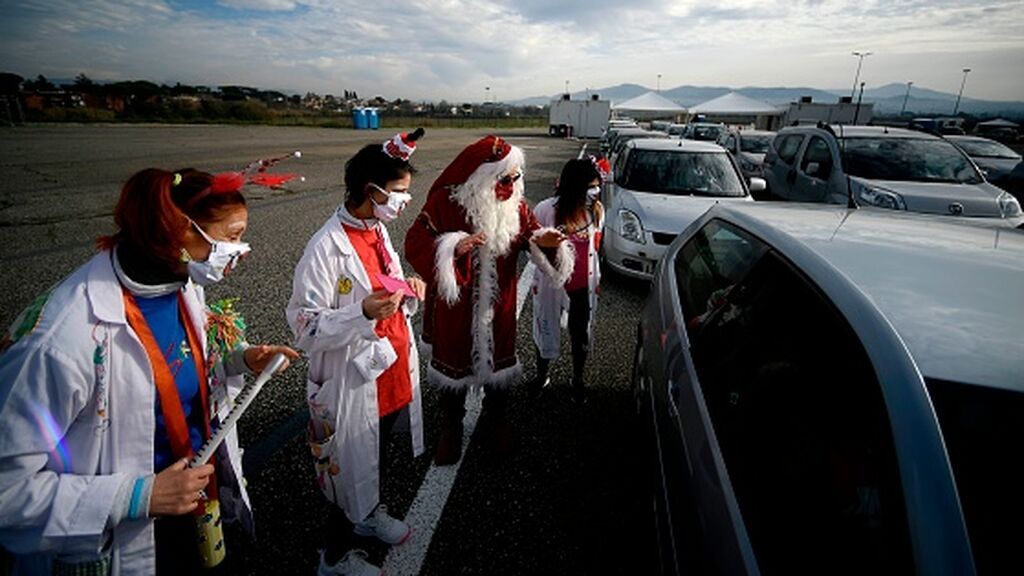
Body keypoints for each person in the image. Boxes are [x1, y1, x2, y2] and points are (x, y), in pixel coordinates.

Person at [0, 162, 300, 575]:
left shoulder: (180, 283)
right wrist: (138, 496)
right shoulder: (59, 340)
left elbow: (176, 367)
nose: (242, 252)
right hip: (124, 532)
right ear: (178, 231)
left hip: (192, 501)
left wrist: (240, 360)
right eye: (232, 238)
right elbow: (8, 490)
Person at [286, 129, 427, 576]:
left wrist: (410, 291)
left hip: (386, 375)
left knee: (374, 457)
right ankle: (333, 557)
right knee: (343, 472)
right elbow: (304, 327)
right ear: (372, 191)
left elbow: (387, 284)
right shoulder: (324, 248)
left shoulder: (377, 231)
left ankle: (367, 517)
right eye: (401, 193)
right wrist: (360, 313)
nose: (405, 201)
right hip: (350, 383)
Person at [405, 135, 573, 465]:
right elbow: (415, 241)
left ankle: (497, 422)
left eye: (516, 177)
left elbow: (533, 238)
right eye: (504, 178)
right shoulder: (445, 201)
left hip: (499, 309)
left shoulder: (518, 207)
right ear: (481, 176)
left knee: (499, 371)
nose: (512, 184)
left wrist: (549, 244)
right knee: (452, 372)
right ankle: (450, 428)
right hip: (454, 308)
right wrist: (451, 247)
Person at [530, 156, 608, 404]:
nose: (595, 192)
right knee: (545, 329)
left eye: (597, 186)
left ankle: (578, 379)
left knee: (580, 334)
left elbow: (597, 248)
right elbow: (531, 247)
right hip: (552, 286)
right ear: (574, 186)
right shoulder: (545, 210)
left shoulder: (595, 212)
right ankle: (541, 376)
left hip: (582, 287)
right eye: (590, 187)